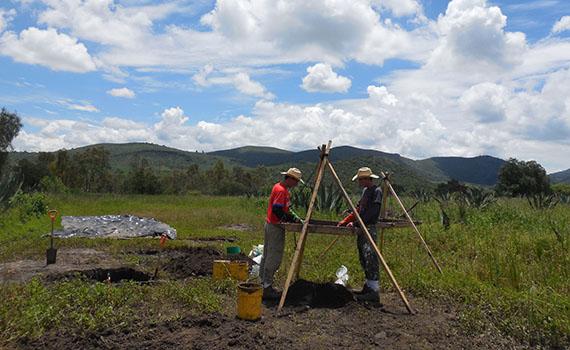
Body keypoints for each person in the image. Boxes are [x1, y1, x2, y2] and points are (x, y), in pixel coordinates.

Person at [337, 167, 382, 302]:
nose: (359, 182)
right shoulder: (365, 191)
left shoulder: (376, 191)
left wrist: (356, 223)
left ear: (367, 179)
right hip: (362, 228)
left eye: (361, 179)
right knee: (363, 257)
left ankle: (374, 291)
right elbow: (358, 209)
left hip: (368, 228)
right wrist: (346, 221)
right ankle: (368, 287)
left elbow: (372, 213)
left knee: (370, 258)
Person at [261, 167, 303, 300]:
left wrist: (295, 218)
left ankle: (264, 284)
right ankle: (267, 287)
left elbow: (287, 208)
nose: (296, 184)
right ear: (290, 179)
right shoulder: (281, 190)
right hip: (275, 226)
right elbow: (277, 210)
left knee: (267, 254)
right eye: (296, 181)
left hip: (271, 225)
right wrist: (288, 220)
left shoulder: (281, 189)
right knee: (274, 256)